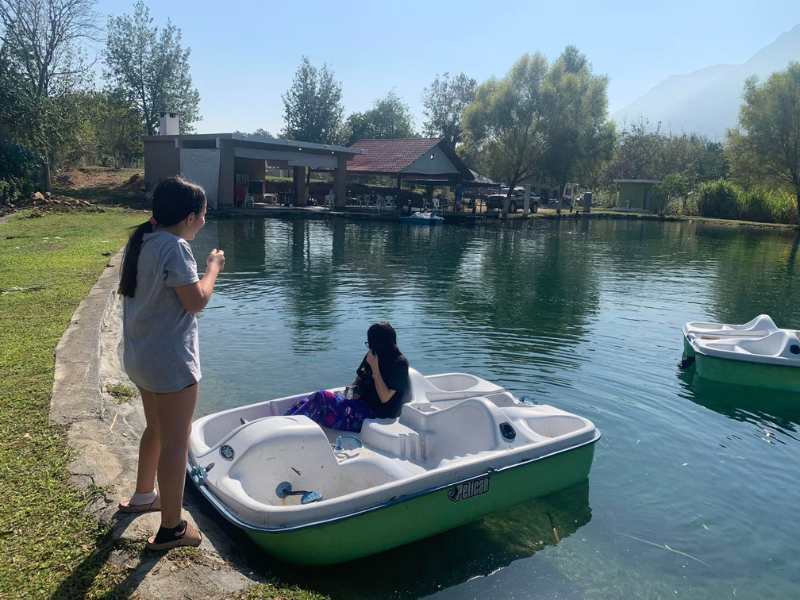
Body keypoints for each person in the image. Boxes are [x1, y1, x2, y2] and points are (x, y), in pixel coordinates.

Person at [116, 176, 225, 551]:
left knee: (156, 429)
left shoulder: (143, 240)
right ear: (190, 217)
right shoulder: (176, 248)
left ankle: (144, 495)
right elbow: (196, 302)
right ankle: (172, 528)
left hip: (141, 359)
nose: (204, 222)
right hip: (171, 365)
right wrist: (213, 267)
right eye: (203, 216)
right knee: (176, 443)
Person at [286, 322, 410, 432]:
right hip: (359, 404)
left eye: (371, 344)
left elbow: (385, 398)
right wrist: (346, 395)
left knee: (322, 400)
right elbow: (358, 382)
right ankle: (285, 422)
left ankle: (288, 430)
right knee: (318, 397)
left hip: (375, 414)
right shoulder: (373, 355)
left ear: (380, 344)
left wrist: (375, 368)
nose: (369, 347)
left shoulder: (399, 364)